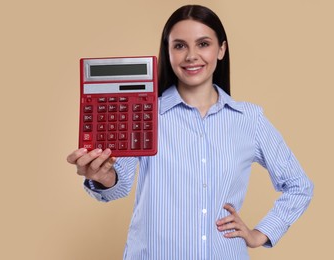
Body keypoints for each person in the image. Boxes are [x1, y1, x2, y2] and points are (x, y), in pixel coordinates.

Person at [67, 4, 314, 260]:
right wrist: (103, 177)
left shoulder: (250, 119)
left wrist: (261, 234)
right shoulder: (144, 114)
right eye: (180, 45)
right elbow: (119, 186)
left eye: (203, 44)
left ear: (221, 49)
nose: (191, 56)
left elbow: (299, 186)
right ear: (168, 52)